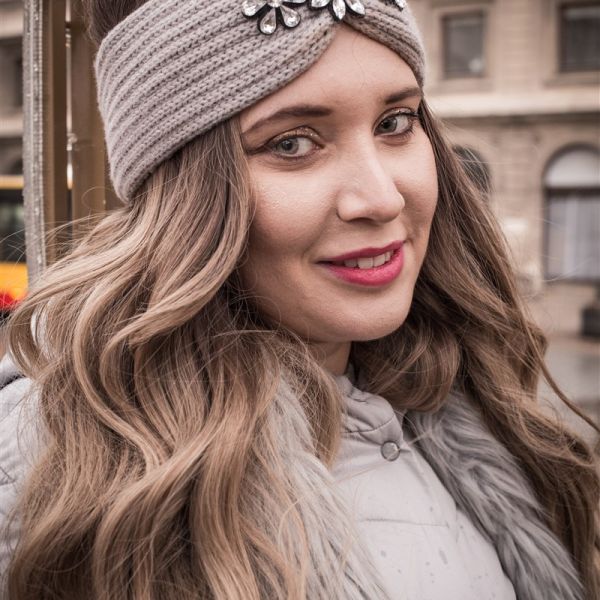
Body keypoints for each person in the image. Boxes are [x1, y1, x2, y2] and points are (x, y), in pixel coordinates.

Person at [0, 1, 598, 598]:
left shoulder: (480, 405)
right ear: (183, 200)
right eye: (291, 143)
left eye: (395, 123)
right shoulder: (54, 470)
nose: (383, 198)